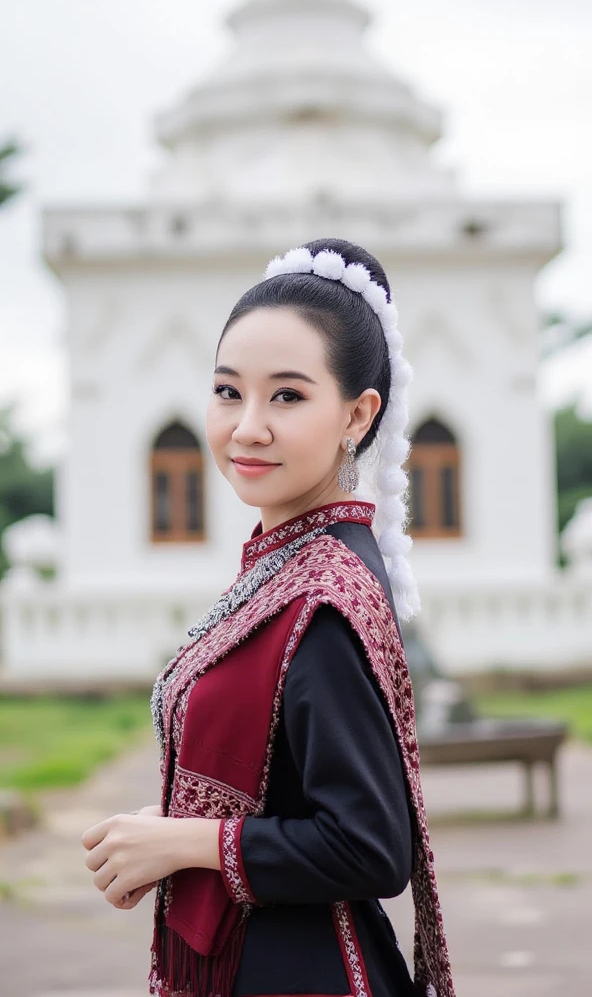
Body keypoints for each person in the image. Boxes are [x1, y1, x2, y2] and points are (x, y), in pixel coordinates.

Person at [81, 239, 455, 997]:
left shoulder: (323, 597)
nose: (247, 426)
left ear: (357, 414)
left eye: (286, 396)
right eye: (228, 392)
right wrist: (165, 838)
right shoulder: (286, 563)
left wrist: (188, 841)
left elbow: (369, 847)